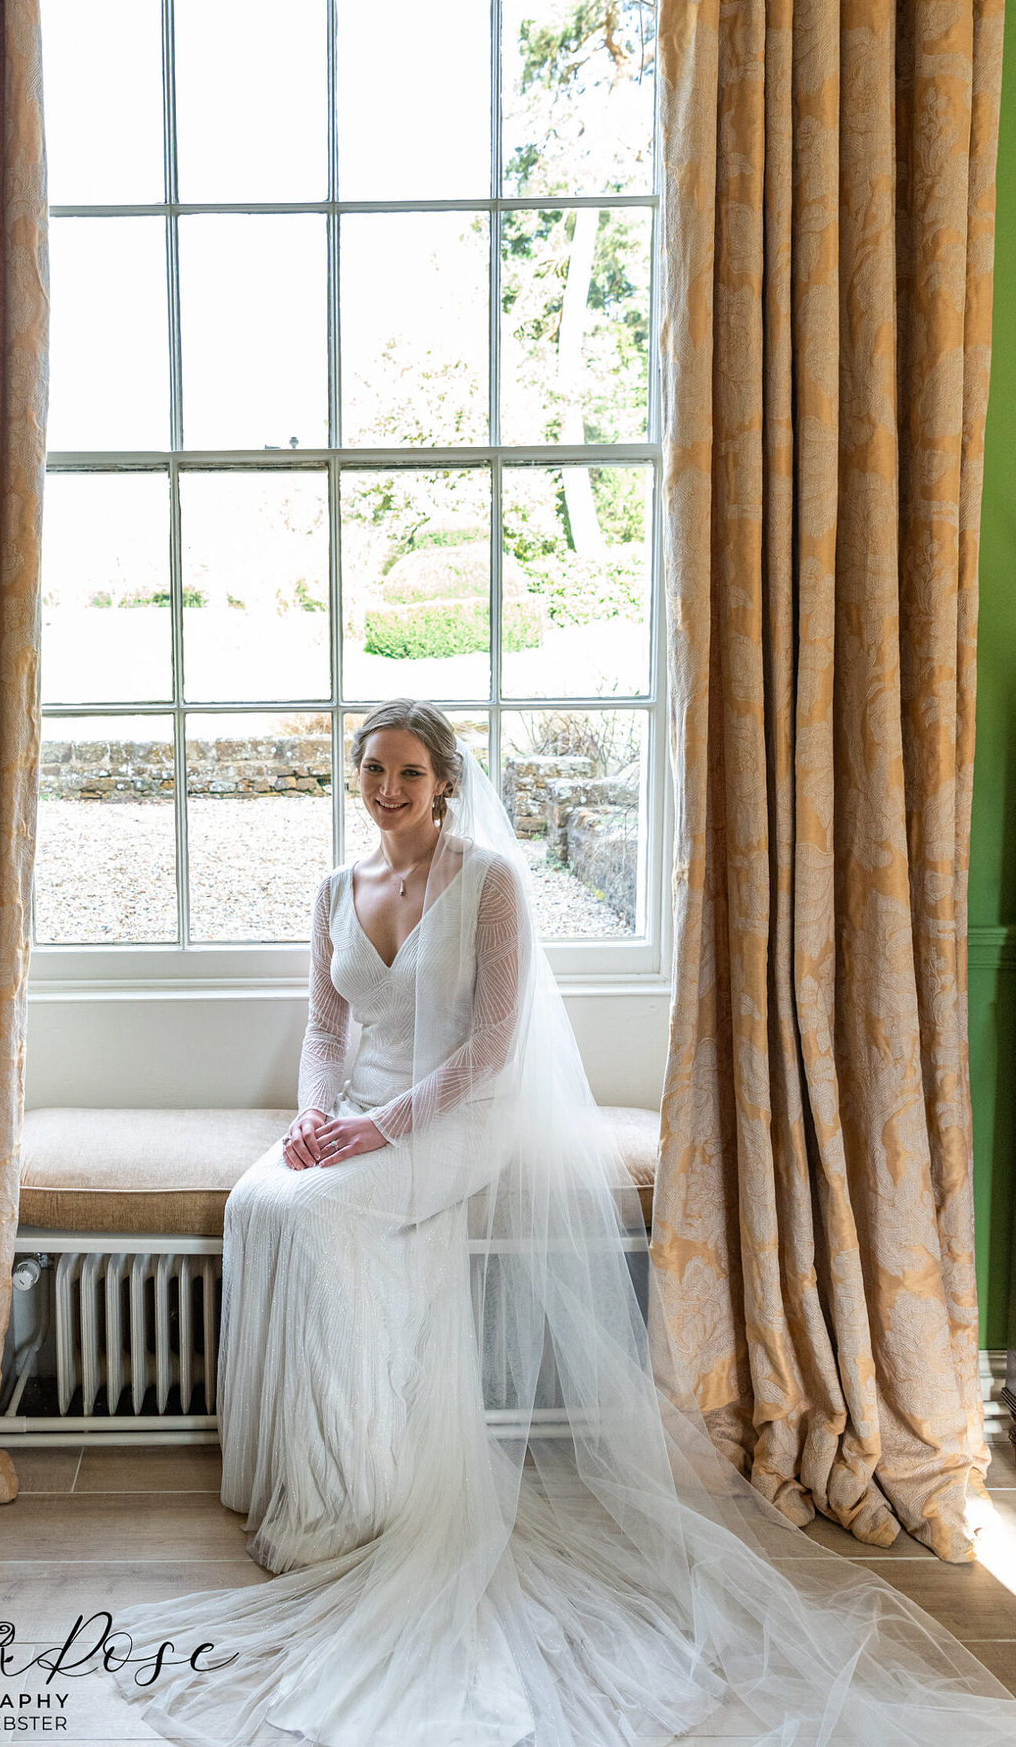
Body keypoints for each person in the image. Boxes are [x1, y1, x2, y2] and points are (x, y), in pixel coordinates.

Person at [108, 700, 1016, 1745]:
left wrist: (375, 1132)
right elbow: (325, 1025)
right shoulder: (334, 888)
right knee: (259, 1201)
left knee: (315, 1221)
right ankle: (301, 1470)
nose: (389, 788)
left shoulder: (489, 882)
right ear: (354, 779)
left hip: (459, 1116)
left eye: (409, 771)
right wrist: (318, 1114)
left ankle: (352, 1500)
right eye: (373, 770)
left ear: (443, 781)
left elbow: (492, 1045)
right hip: (354, 1112)